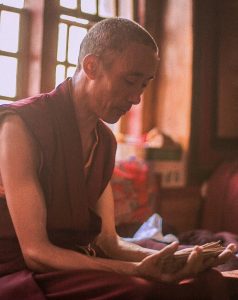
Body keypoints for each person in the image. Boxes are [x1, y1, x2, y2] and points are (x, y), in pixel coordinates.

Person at [0, 17, 235, 300]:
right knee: (141, 291)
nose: (136, 98)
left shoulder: (104, 142)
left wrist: (179, 257)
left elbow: (109, 242)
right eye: (129, 81)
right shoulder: (22, 126)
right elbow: (35, 251)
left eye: (144, 85)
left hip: (73, 264)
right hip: (21, 269)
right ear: (91, 67)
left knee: (207, 281)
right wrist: (135, 271)